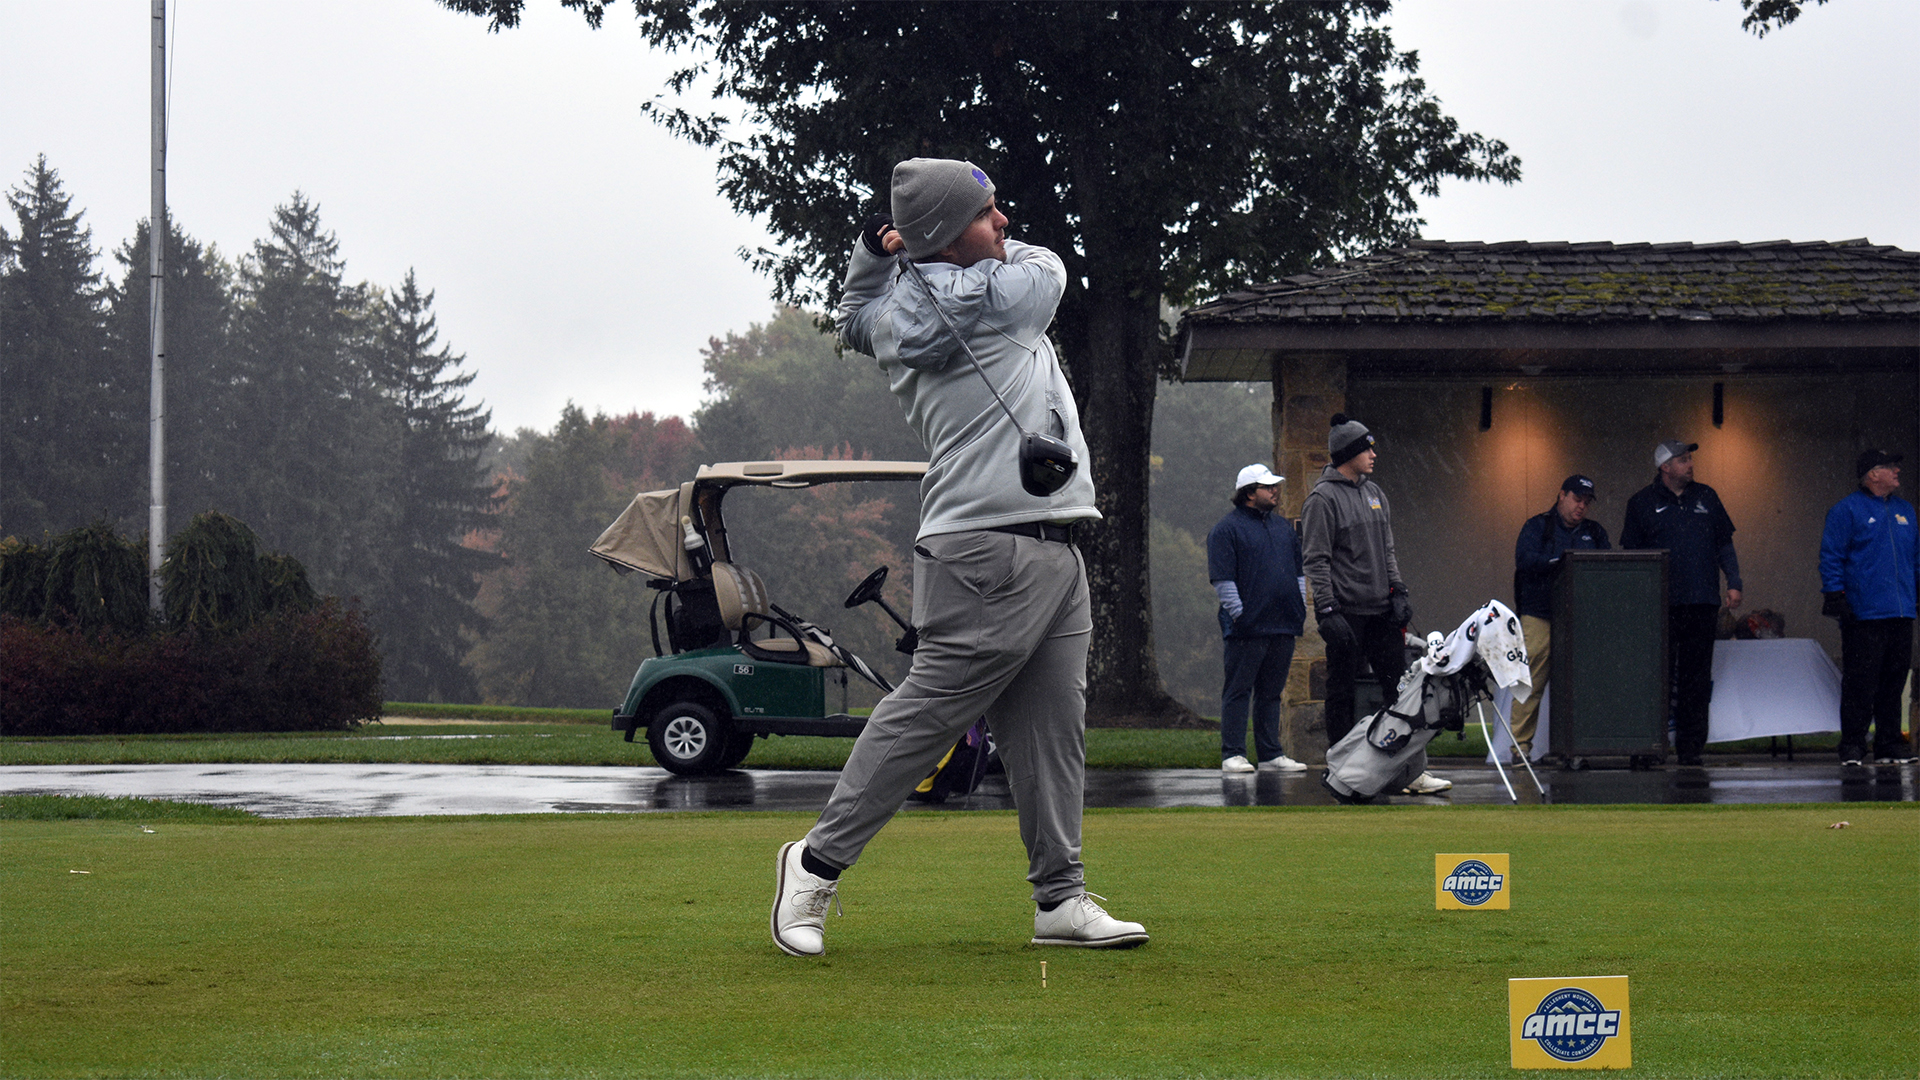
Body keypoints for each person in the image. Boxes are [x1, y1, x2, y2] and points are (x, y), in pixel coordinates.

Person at [770, 158, 1147, 957]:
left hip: (1042, 545)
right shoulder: (1011, 296)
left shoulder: (898, 313)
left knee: (1050, 731)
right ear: (947, 235)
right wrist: (931, 251)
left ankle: (1060, 899)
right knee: (925, 717)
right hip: (991, 546)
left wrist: (876, 255)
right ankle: (813, 864)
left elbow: (853, 315)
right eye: (987, 214)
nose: (1005, 225)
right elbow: (1051, 270)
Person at [1301, 415, 1450, 795]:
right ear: (1348, 453)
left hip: (1382, 611)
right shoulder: (1322, 499)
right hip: (1346, 613)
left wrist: (1398, 589)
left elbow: (1387, 550)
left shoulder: (1375, 494)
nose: (1373, 454)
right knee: (1341, 691)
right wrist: (1327, 609)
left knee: (1401, 691)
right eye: (1366, 448)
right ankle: (1341, 770)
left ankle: (1410, 772)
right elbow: (1316, 560)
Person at [1620, 439, 1742, 767]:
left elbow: (1724, 544)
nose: (1690, 464)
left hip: (1702, 600)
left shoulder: (1707, 496)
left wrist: (1734, 581)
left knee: (1696, 678)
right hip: (1659, 606)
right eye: (1683, 459)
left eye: (1689, 459)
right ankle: (1647, 746)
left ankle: (1690, 748)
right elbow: (1630, 555)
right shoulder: (1642, 502)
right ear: (1665, 467)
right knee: (1653, 677)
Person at [1207, 464, 1310, 774]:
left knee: (1271, 692)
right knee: (1239, 690)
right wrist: (1241, 616)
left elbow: (1298, 572)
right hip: (1247, 628)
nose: (1274, 490)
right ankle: (1233, 753)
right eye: (1267, 487)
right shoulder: (1226, 530)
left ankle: (1270, 753)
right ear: (1249, 493)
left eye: (1274, 486)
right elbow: (1223, 580)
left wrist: (1299, 606)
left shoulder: (1282, 528)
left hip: (1283, 624)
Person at [1819, 449, 1919, 766]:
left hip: (1901, 610)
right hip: (1864, 612)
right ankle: (1852, 744)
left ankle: (1889, 743)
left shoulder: (1906, 511)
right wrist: (1835, 594)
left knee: (1894, 679)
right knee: (1861, 681)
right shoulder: (1846, 510)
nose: (1897, 471)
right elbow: (1831, 555)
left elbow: (1915, 558)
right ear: (1873, 474)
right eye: (1891, 467)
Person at [1508, 475, 1612, 763]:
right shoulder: (1537, 526)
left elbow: (1608, 568)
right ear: (1561, 496)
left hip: (1581, 617)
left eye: (1587, 502)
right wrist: (1558, 563)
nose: (1582, 507)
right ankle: (1520, 748)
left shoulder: (1595, 531)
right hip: (1539, 613)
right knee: (1530, 680)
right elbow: (1525, 561)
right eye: (1577, 499)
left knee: (1582, 682)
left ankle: (1580, 745)